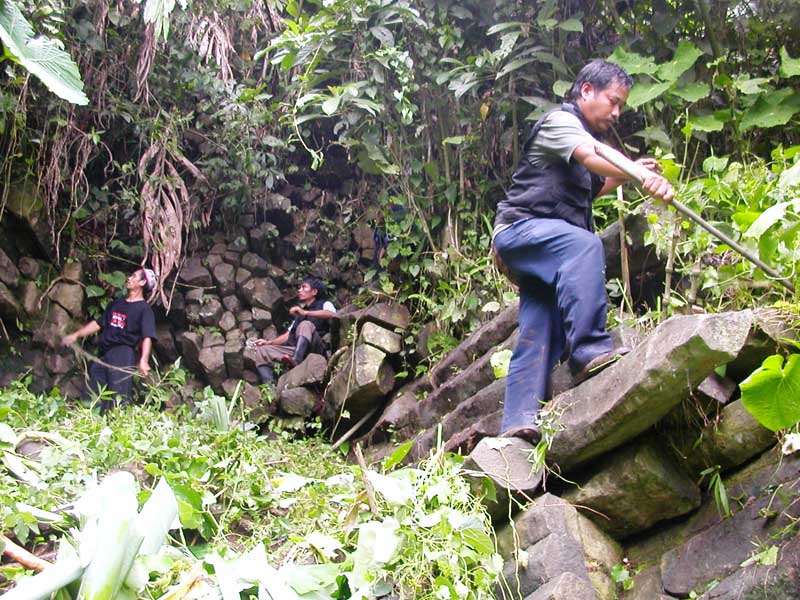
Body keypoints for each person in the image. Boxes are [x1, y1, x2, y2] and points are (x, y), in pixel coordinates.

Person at [492, 60, 675, 443]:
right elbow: (592, 154)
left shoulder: (578, 145)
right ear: (586, 90)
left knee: (537, 327)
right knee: (585, 244)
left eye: (621, 105)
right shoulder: (560, 123)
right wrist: (642, 176)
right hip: (521, 232)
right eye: (613, 101)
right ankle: (590, 350)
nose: (617, 112)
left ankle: (517, 421)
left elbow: (594, 185)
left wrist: (628, 172)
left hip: (545, 250)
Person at [62, 268, 158, 412]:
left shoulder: (144, 310)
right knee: (93, 388)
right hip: (105, 353)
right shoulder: (116, 304)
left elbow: (147, 336)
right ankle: (88, 420)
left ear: (143, 282)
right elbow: (99, 324)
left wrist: (143, 360)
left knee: (119, 394)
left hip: (123, 354)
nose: (129, 278)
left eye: (133, 276)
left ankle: (117, 425)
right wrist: (76, 335)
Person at [252, 277, 337, 385]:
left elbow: (333, 315)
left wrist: (305, 313)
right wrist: (269, 342)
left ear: (314, 292)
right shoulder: (299, 314)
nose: (299, 290)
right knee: (262, 351)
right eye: (300, 287)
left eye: (304, 287)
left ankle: (296, 360)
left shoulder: (325, 304)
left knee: (305, 325)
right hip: (296, 350)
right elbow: (288, 335)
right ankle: (270, 391)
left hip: (315, 349)